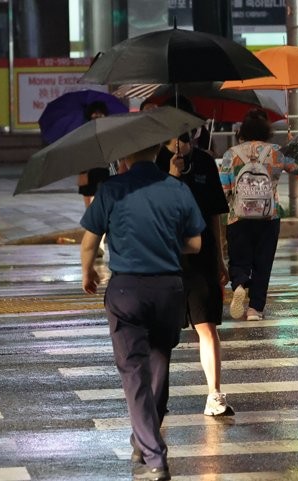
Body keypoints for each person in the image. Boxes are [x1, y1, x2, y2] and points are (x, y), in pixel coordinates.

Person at [81, 144, 205, 481]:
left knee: (134, 374)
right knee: (159, 362)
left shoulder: (111, 189)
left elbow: (90, 241)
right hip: (169, 289)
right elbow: (195, 244)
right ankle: (143, 436)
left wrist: (87, 273)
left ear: (124, 157)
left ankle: (154, 457)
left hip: (127, 290)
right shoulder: (177, 188)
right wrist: (165, 242)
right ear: (155, 154)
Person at [157, 132, 233, 417]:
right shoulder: (155, 161)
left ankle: (214, 393)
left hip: (202, 259)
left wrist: (219, 257)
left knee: (207, 325)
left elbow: (214, 214)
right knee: (162, 333)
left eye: (186, 134)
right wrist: (172, 177)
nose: (181, 140)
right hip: (165, 260)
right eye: (175, 134)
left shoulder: (203, 162)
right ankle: (157, 397)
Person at [220, 109, 298, 321]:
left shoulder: (231, 154)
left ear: (243, 130)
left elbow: (225, 188)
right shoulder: (275, 151)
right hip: (269, 217)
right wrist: (294, 147)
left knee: (239, 258)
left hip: (238, 217)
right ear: (267, 131)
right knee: (263, 262)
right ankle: (255, 309)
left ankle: (240, 284)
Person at [77, 102, 113, 207]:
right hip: (89, 167)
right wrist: (82, 172)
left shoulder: (110, 129)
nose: (97, 115)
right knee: (88, 193)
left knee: (104, 194)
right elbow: (80, 152)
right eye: (95, 113)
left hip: (105, 167)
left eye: (100, 113)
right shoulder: (84, 130)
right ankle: (89, 214)